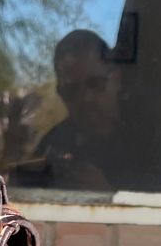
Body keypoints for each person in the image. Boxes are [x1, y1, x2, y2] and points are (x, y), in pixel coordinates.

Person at [31, 29, 130, 191]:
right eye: (72, 90)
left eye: (96, 84)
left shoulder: (146, 143)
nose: (86, 98)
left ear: (116, 80)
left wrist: (106, 195)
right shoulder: (51, 145)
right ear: (61, 94)